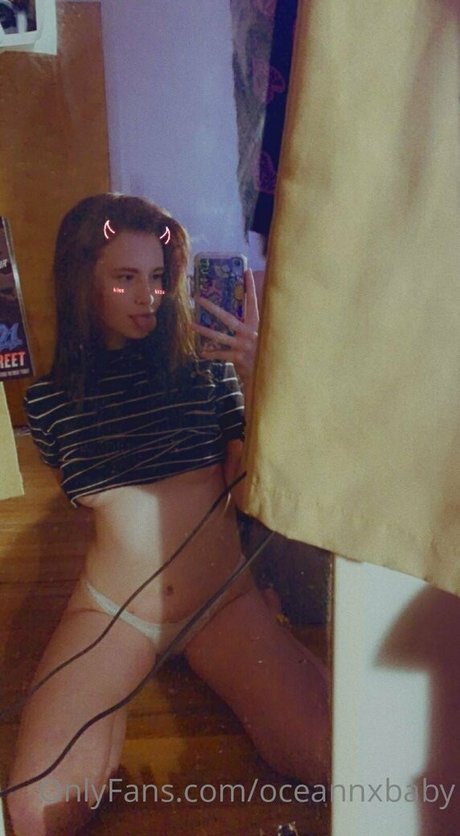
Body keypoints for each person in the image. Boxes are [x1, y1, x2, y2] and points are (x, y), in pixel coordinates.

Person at [7, 194, 329, 834]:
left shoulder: (206, 373)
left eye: (157, 277)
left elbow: (253, 493)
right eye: (124, 277)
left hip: (223, 602)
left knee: (336, 757)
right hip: (113, 611)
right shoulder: (49, 403)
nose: (147, 297)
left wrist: (260, 382)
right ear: (81, 281)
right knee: (35, 811)